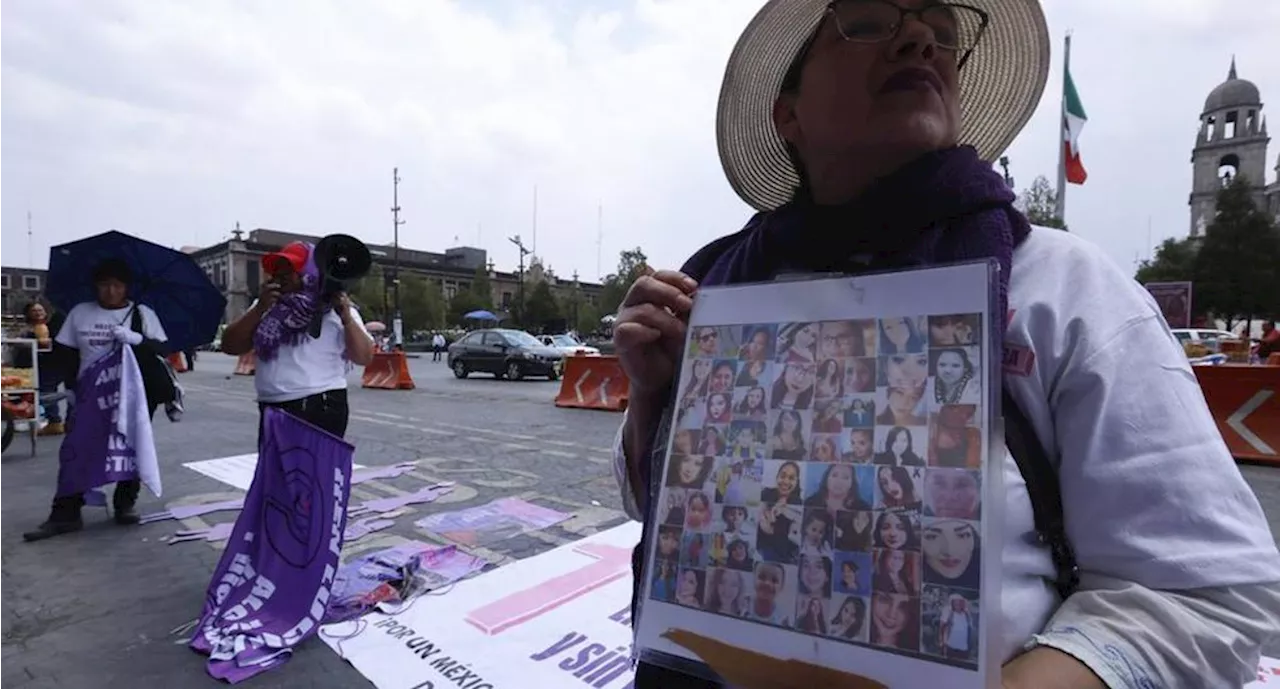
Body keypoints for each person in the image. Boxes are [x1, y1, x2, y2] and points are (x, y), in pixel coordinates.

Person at [612, 1, 1280, 687]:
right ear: (788, 113)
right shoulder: (713, 293)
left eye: (942, 31)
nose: (918, 40)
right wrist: (655, 401)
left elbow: (1204, 593)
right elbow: (658, 509)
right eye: (869, 22)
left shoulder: (1064, 289)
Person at [23, 259, 169, 541]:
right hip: (90, 394)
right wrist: (71, 389)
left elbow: (162, 348)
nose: (111, 291)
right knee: (77, 450)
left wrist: (136, 338)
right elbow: (65, 353)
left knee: (129, 446)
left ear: (127, 287)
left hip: (132, 394)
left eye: (117, 285)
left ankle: (125, 503)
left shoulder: (142, 313)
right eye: (104, 285)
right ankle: (66, 512)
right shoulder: (80, 313)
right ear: (95, 287)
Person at [221, 241, 374, 442]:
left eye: (290, 270)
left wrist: (346, 317)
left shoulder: (336, 308)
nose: (280, 276)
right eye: (277, 270)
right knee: (276, 473)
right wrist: (259, 310)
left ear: (309, 272)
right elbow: (230, 346)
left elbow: (364, 356)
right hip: (272, 407)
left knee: (314, 472)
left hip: (320, 406)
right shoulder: (267, 305)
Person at [14, 302, 66, 436]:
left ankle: (54, 420)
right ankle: (47, 419)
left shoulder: (48, 326)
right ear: (28, 313)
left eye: (40, 310)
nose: (38, 313)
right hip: (31, 365)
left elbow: (48, 344)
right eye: (34, 310)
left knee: (45, 390)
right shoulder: (25, 328)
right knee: (32, 390)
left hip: (49, 364)